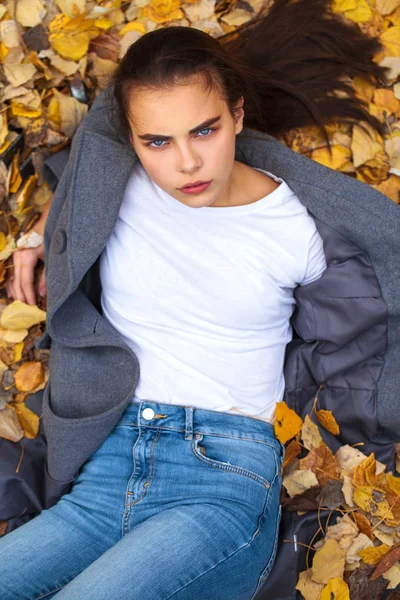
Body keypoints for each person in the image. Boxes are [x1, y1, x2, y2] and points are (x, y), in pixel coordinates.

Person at [1, 1, 398, 599]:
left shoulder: (296, 227)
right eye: (157, 141)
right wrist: (41, 234)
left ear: (236, 115)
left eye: (204, 131)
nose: (186, 162)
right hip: (108, 468)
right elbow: (84, 171)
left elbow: (366, 323)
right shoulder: (119, 184)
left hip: (222, 478)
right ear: (131, 139)